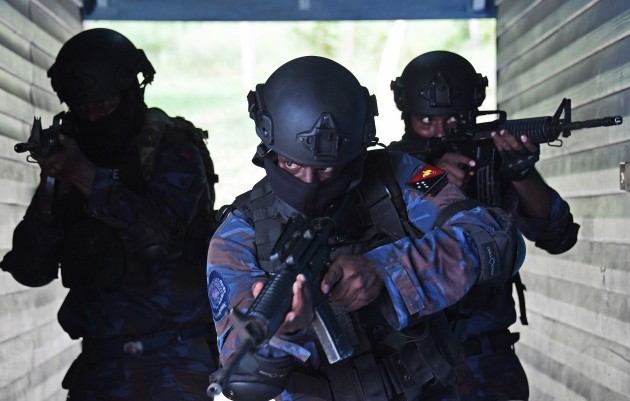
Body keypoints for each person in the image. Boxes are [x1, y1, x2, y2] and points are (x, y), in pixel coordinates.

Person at [206, 55, 525, 401]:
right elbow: (244, 382)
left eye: (328, 169)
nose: (310, 181)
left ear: (356, 153)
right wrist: (284, 333)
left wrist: (387, 272)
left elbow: (500, 239)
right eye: (291, 164)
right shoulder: (239, 235)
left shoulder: (402, 174)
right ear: (269, 146)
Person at [1, 28, 219, 401]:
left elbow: (163, 237)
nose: (93, 115)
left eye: (104, 104)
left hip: (174, 354)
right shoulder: (72, 150)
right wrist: (54, 191)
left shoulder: (170, 147)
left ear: (130, 90)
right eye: (83, 108)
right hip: (102, 359)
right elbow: (31, 269)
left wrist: (86, 175)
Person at [389, 50, 580, 401]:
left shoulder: (487, 160)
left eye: (453, 120)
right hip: (414, 361)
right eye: (426, 121)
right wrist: (437, 182)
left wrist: (520, 173)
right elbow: (394, 224)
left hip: (484, 358)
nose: (441, 131)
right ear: (406, 115)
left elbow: (558, 235)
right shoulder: (395, 166)